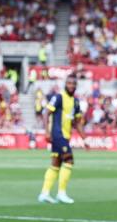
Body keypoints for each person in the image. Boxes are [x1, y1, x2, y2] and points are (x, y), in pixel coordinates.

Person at [38, 74, 88, 204]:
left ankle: (44, 193)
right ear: (65, 84)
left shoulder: (76, 102)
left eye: (73, 84)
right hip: (57, 134)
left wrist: (84, 139)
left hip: (66, 135)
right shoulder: (59, 97)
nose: (71, 86)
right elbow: (46, 113)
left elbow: (77, 122)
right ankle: (61, 193)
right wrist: (47, 131)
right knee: (69, 160)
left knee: (55, 164)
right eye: (69, 83)